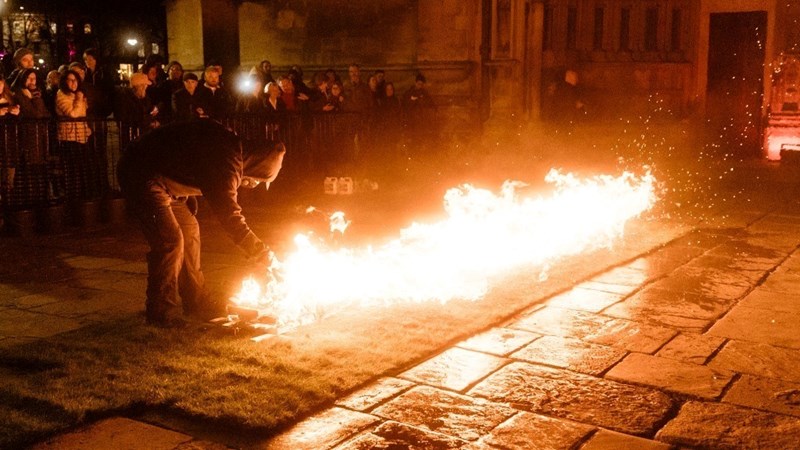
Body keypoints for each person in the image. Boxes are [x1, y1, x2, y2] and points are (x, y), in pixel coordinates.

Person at [116, 119, 286, 328]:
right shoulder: (229, 162)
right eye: (259, 180)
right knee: (170, 241)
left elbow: (191, 156)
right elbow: (230, 216)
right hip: (141, 172)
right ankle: (159, 314)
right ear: (258, 167)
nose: (255, 184)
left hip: (166, 183)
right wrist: (262, 253)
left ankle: (196, 302)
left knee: (190, 231)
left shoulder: (231, 150)